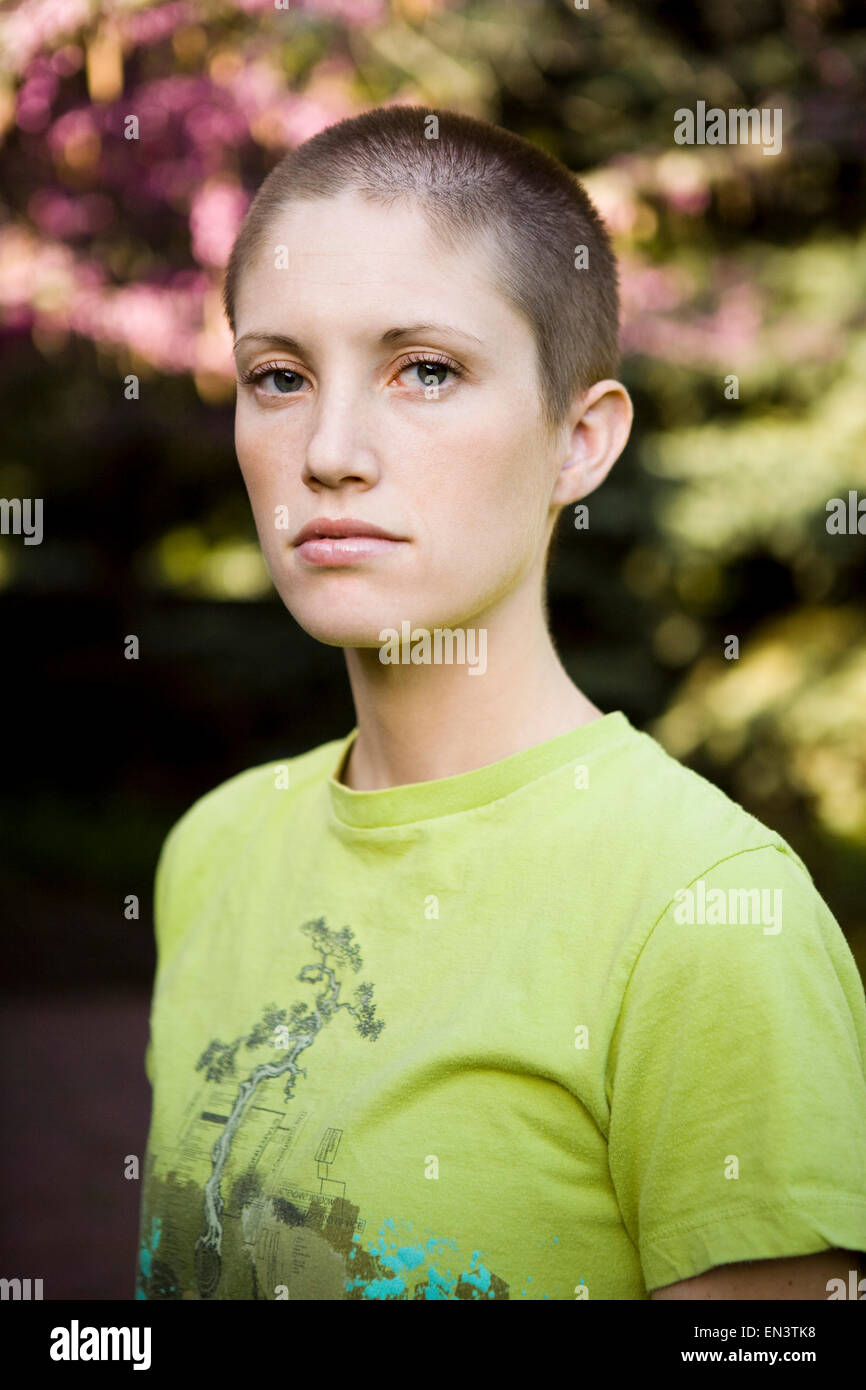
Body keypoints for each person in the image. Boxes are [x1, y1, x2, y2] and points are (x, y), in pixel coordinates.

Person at [136, 106, 866, 1301]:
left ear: (579, 441)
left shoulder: (707, 913)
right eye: (278, 376)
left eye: (424, 370)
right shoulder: (210, 850)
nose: (328, 449)